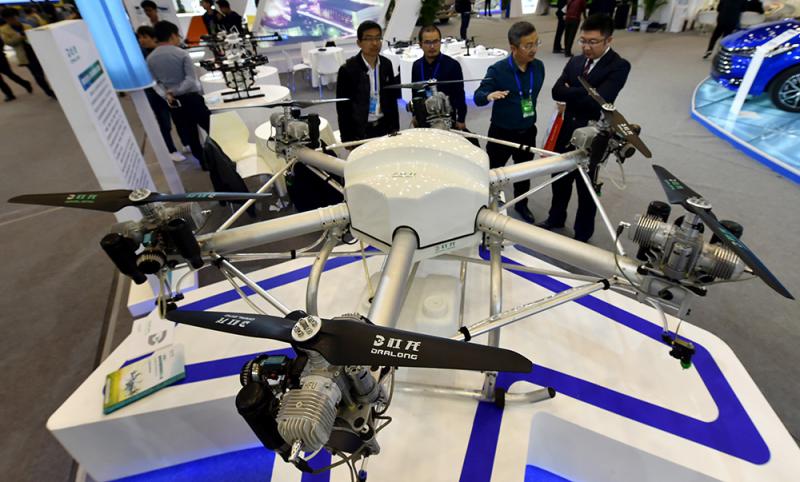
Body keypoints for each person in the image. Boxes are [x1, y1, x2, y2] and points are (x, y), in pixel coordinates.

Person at [541, 14, 630, 242]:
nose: (586, 47)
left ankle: (582, 234)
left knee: (587, 188)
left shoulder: (619, 66)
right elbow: (556, 91)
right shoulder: (576, 61)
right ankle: (555, 218)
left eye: (593, 42)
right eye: (583, 41)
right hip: (567, 131)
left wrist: (571, 91)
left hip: (593, 136)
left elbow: (598, 101)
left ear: (608, 40)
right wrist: (586, 92)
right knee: (559, 179)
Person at [474, 21, 545, 224]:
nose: (534, 49)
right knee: (494, 173)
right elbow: (478, 96)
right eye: (528, 45)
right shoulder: (498, 70)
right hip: (502, 133)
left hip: (527, 131)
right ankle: (486, 206)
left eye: (536, 43)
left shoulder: (538, 67)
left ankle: (521, 204)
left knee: (524, 172)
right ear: (513, 48)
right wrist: (489, 96)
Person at [147, 21, 211, 169]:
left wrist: (167, 94)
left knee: (190, 134)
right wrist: (176, 91)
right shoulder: (181, 54)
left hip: (174, 103)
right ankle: (220, 157)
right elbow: (190, 79)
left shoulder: (150, 59)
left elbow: (155, 83)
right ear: (172, 35)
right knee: (211, 128)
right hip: (192, 99)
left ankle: (203, 162)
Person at [335, 20, 400, 142]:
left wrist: (395, 128)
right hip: (360, 130)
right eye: (369, 39)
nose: (374, 43)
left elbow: (392, 99)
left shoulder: (386, 64)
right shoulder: (348, 70)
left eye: (378, 38)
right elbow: (343, 108)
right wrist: (347, 138)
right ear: (359, 43)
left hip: (384, 126)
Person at [137, 26, 185, 162]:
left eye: (144, 37)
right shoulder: (141, 55)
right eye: (139, 37)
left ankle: (185, 142)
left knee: (179, 119)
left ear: (154, 38)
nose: (141, 40)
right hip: (154, 93)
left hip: (171, 90)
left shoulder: (163, 51)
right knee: (164, 123)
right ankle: (171, 150)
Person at [411, 25, 468, 130]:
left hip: (447, 120)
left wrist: (461, 119)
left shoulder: (452, 65)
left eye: (435, 41)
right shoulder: (417, 66)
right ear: (420, 44)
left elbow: (459, 94)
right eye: (427, 42)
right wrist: (415, 114)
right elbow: (415, 93)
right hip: (423, 119)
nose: (432, 46)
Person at [0, 8, 55, 98]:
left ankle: (53, 88)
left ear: (16, 16)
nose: (11, 20)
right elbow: (8, 42)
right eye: (8, 19)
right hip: (25, 56)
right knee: (38, 75)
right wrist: (20, 36)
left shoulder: (27, 25)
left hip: (36, 52)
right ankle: (49, 92)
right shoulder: (3, 30)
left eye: (13, 17)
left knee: (47, 71)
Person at [0, 34, 32, 101]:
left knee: (10, 74)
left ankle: (25, 84)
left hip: (0, 59)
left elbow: (1, 42)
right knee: (7, 76)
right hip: (1, 58)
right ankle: (10, 94)